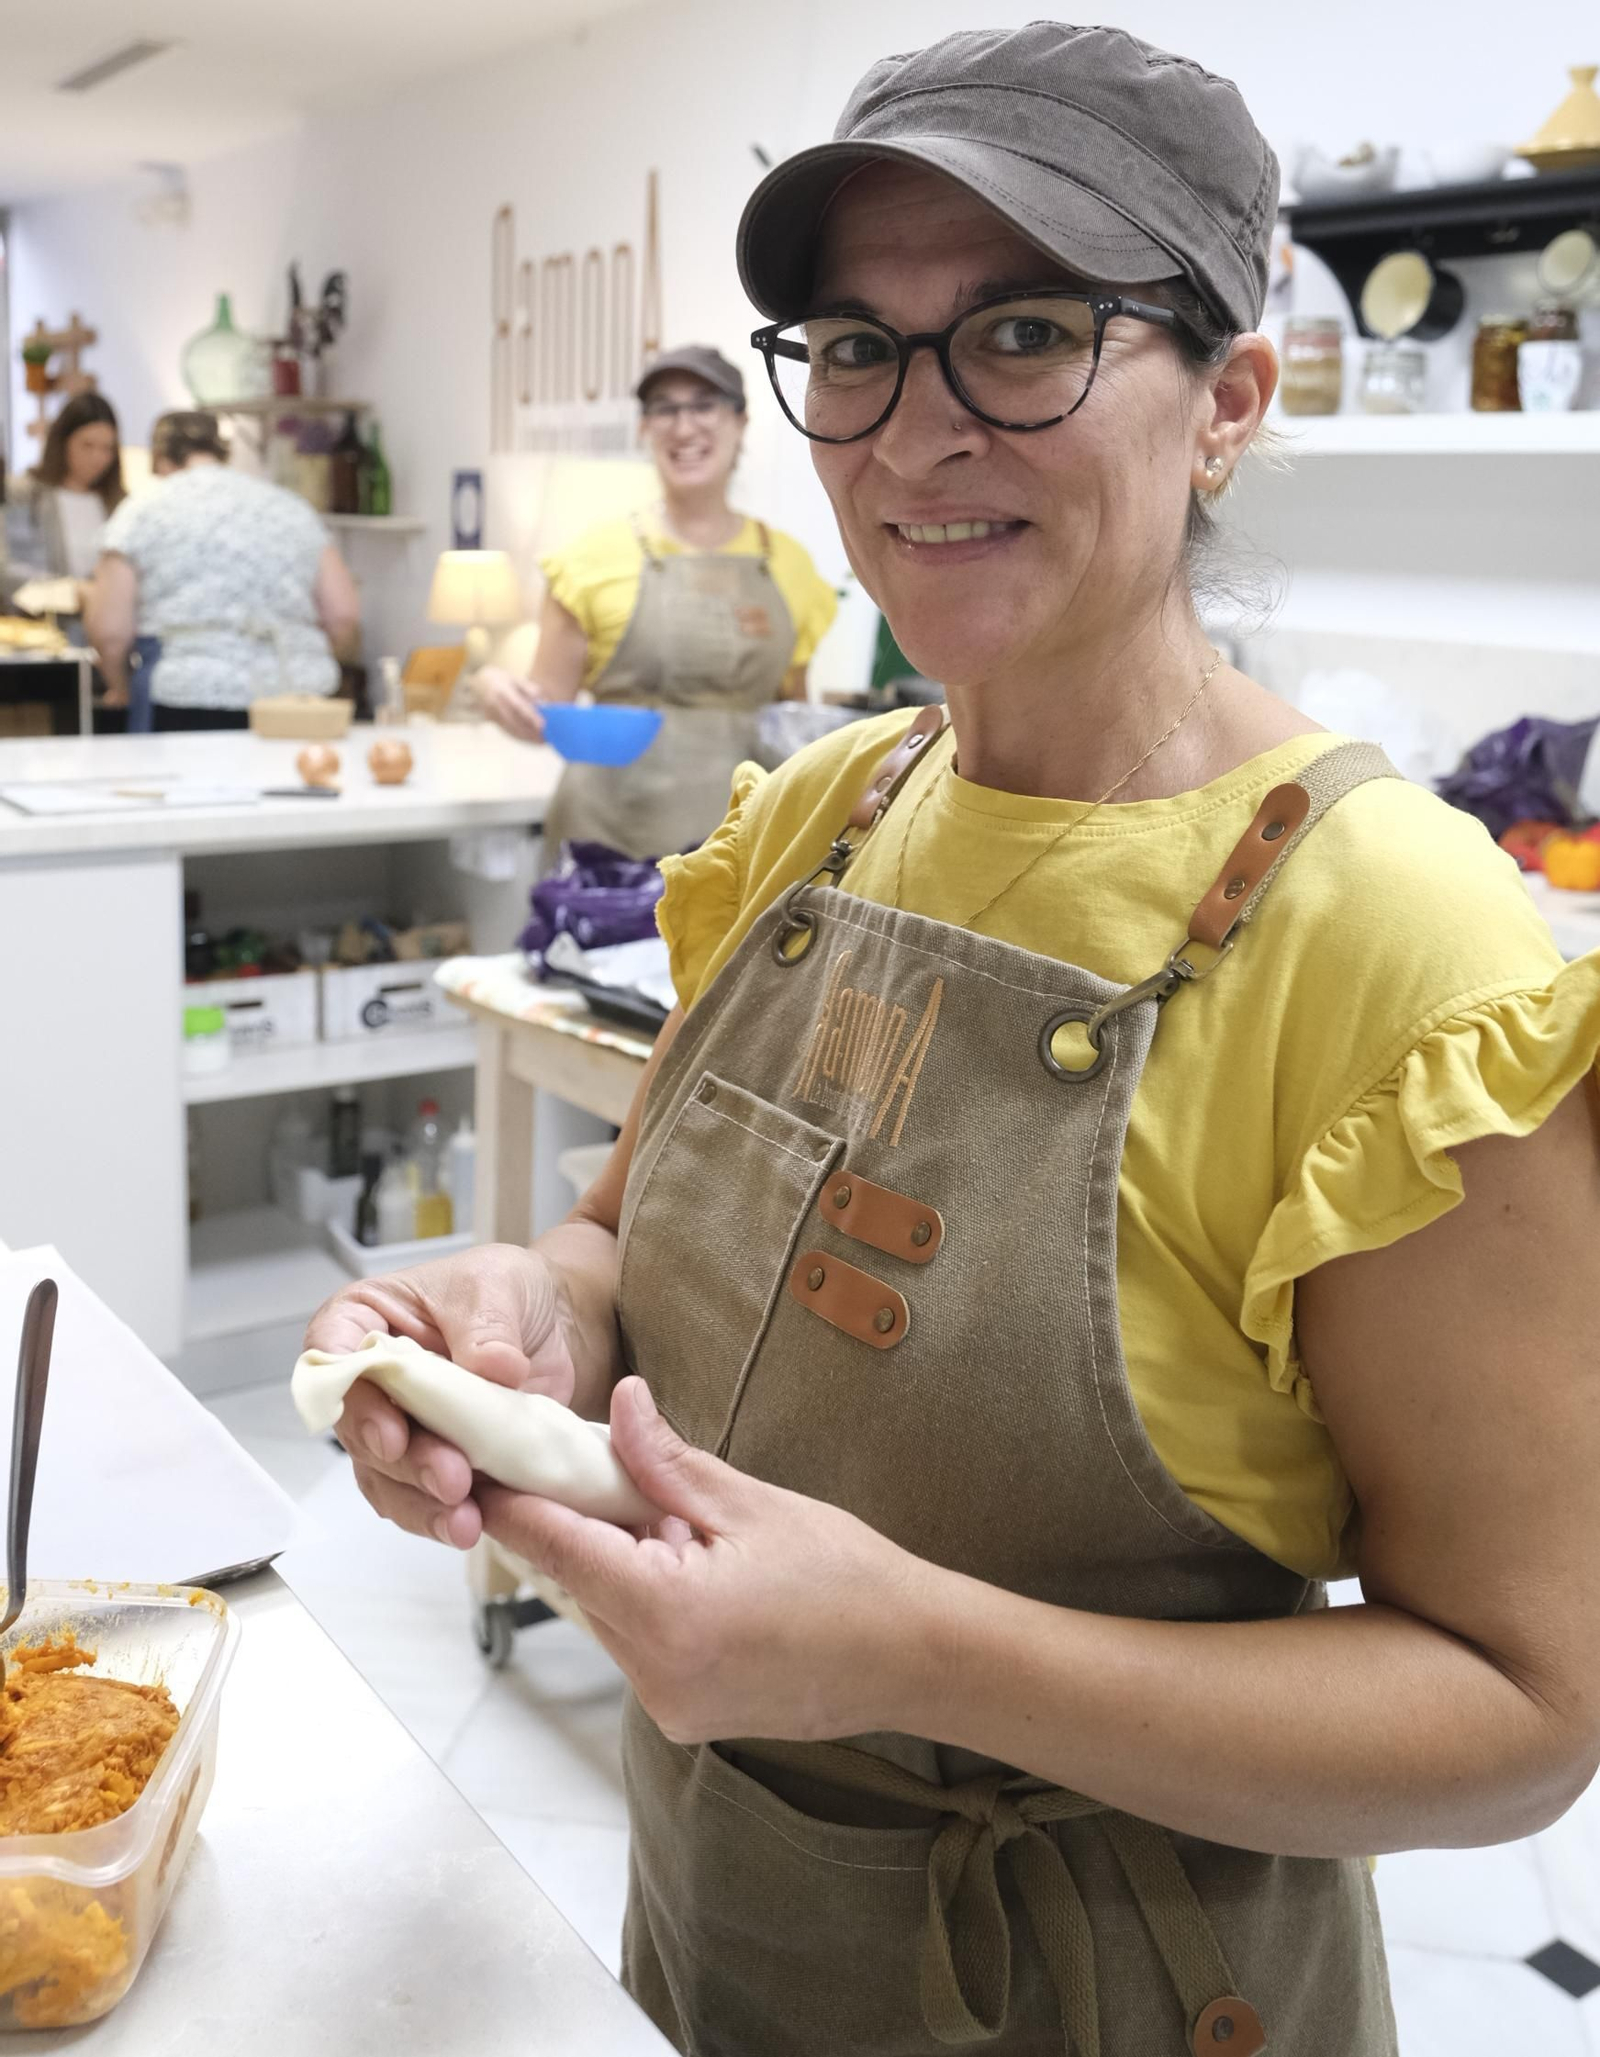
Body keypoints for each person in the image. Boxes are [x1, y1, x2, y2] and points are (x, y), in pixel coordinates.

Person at [308, 24, 1600, 2057]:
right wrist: (530, 1312)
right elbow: (619, 1245)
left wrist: (911, 1649)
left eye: (1020, 334)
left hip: (1112, 1979)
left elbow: (1520, 1710)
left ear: (1226, 405)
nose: (912, 433)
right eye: (850, 345)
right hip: (727, 1917)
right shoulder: (820, 813)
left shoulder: (1398, 945)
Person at [476, 345, 837, 860]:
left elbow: (793, 723)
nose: (683, 426)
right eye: (664, 409)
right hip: (608, 843)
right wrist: (491, 687)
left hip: (742, 846)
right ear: (645, 429)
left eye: (704, 405)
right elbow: (542, 713)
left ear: (740, 421)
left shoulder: (789, 566)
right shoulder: (591, 559)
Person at [86, 409, 360, 732]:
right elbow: (343, 616)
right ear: (221, 452)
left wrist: (120, 687)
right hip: (297, 698)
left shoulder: (141, 511)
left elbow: (111, 633)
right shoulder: (290, 506)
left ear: (159, 458)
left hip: (188, 698)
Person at [2, 392, 126, 605]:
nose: (98, 458)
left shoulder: (118, 504)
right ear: (63, 441)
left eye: (107, 448)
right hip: (38, 627)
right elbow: (6, 570)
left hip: (104, 627)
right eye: (87, 445)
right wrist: (73, 592)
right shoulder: (24, 494)